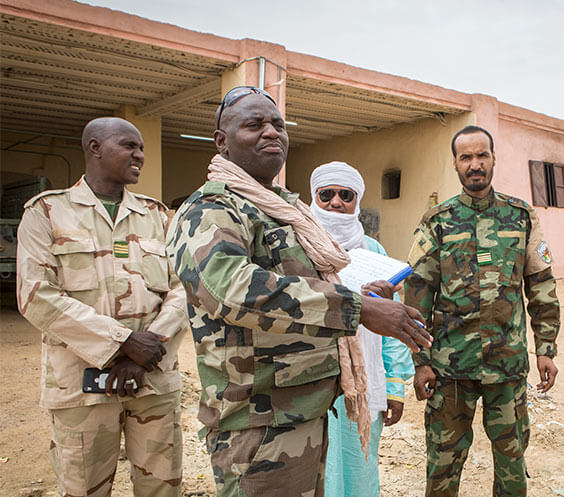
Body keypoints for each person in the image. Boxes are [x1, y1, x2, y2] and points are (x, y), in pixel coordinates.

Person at [165, 86, 431, 497]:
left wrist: (363, 293)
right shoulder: (211, 209)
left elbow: (306, 284)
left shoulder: (283, 212)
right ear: (222, 142)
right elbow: (232, 289)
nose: (271, 133)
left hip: (304, 410)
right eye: (254, 125)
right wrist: (355, 308)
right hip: (258, 423)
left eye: (278, 125)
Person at [16, 117, 187, 497]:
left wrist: (144, 351)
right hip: (82, 385)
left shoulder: (157, 216)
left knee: (162, 489)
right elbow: (36, 295)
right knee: (84, 490)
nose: (139, 155)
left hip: (152, 380)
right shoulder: (47, 213)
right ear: (94, 147)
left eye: (141, 147)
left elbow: (182, 290)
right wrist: (123, 341)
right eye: (129, 145)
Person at [404, 125, 560, 497]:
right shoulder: (436, 221)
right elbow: (417, 295)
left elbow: (541, 285)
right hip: (450, 369)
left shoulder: (521, 217)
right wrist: (420, 360)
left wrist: (546, 349)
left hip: (507, 368)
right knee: (442, 466)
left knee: (512, 466)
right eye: (466, 157)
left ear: (493, 158)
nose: (475, 164)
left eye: (482, 155)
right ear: (456, 164)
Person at [309, 160, 415, 497]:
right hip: (312, 382)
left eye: (345, 195)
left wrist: (395, 387)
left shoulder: (375, 251)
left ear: (357, 200)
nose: (335, 202)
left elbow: (393, 324)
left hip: (365, 382)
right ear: (314, 197)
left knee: (359, 468)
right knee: (316, 471)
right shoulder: (297, 246)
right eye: (326, 194)